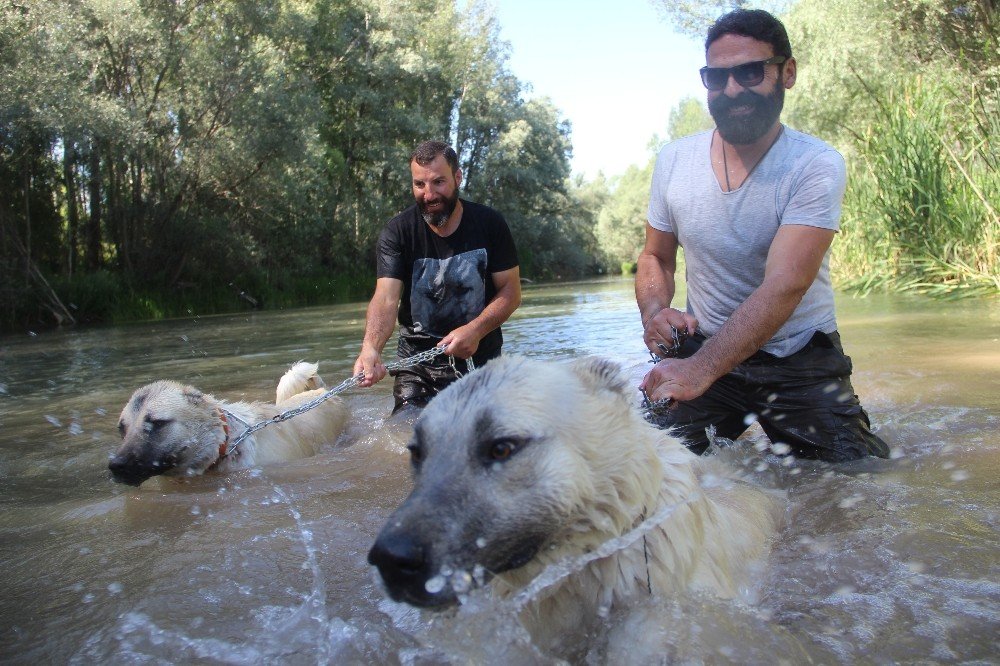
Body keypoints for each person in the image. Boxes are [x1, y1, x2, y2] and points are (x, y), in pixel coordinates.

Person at [636, 9, 889, 462]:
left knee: (858, 483)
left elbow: (785, 284)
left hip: (799, 361)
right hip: (704, 345)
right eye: (717, 77)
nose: (732, 90)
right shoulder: (673, 161)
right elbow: (656, 256)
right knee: (645, 467)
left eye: (750, 72)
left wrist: (699, 370)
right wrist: (655, 312)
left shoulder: (815, 165)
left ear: (787, 73)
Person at [353, 140, 521, 413]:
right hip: (417, 369)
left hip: (482, 365)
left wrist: (475, 330)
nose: (429, 194)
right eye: (419, 184)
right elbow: (385, 299)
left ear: (457, 177)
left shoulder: (491, 224)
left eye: (438, 182)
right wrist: (371, 348)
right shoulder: (397, 233)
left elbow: (511, 293)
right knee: (406, 437)